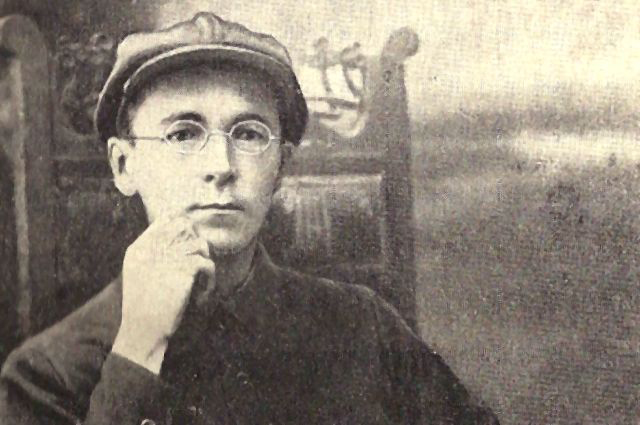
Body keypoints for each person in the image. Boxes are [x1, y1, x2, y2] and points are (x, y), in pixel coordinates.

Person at [0, 12, 499, 425]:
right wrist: (138, 348)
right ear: (124, 165)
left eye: (249, 134)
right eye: (183, 134)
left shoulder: (366, 328)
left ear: (281, 165)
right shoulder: (46, 375)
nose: (221, 166)